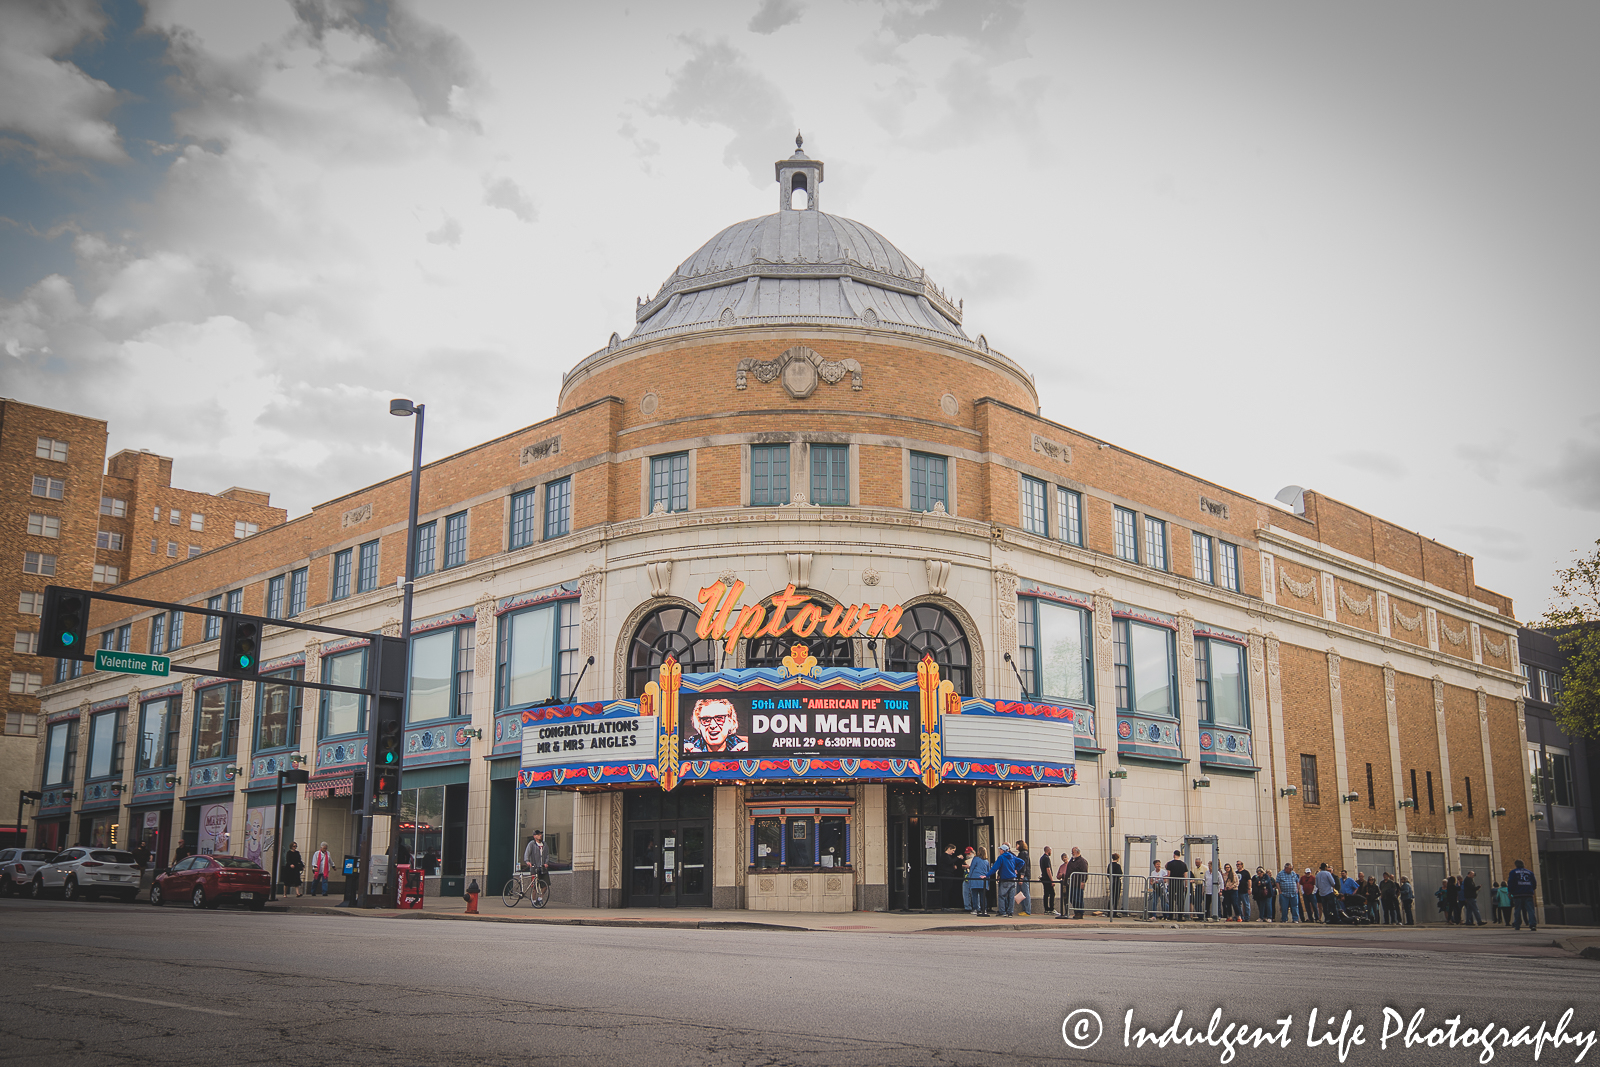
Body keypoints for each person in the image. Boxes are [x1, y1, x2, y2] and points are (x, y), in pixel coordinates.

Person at [683, 697, 748, 753]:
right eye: (706, 719)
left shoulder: (742, 746)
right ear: (699, 724)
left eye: (719, 719)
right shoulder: (687, 746)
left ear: (730, 722)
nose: (713, 725)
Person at [1507, 859, 1538, 932]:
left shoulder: (1513, 872)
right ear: (1523, 865)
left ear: (1516, 865)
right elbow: (1534, 883)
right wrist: (1531, 889)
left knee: (1517, 910)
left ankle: (1517, 925)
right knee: (1530, 910)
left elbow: (1511, 883)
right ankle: (1532, 925)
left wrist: (1510, 892)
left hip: (1517, 894)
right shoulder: (1530, 872)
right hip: (1528, 894)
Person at [991, 842, 1020, 918]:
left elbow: (995, 868)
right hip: (1013, 878)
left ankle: (1002, 912)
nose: (999, 851)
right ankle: (1010, 912)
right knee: (1011, 897)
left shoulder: (1001, 857)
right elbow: (1021, 862)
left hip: (1005, 879)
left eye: (1000, 849)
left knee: (1002, 896)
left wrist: (987, 875)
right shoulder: (1013, 856)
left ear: (1003, 850)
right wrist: (1016, 869)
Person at [1063, 846, 1089, 919]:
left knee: (1078, 898)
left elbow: (1084, 872)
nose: (1072, 853)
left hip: (1077, 883)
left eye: (1073, 852)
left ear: (1077, 852)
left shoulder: (1082, 861)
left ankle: (1080, 912)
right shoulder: (1072, 861)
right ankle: (1076, 911)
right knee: (1072, 898)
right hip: (1071, 883)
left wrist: (1083, 882)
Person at [523, 829, 550, 894]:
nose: (540, 836)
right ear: (535, 836)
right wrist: (527, 861)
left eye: (541, 834)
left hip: (543, 868)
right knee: (534, 886)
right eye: (538, 835)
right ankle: (534, 901)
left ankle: (540, 899)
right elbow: (527, 853)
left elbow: (547, 855)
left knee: (546, 885)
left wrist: (546, 863)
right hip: (535, 868)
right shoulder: (532, 844)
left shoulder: (545, 845)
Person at [966, 846, 992, 917]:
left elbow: (972, 869)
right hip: (983, 880)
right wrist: (988, 882)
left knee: (974, 895)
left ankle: (975, 909)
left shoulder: (976, 859)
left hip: (975, 879)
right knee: (983, 896)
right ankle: (984, 909)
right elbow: (988, 872)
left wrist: (969, 878)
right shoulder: (986, 861)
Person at [1165, 850, 1189, 921]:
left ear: (1174, 855)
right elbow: (1185, 876)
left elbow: (1169, 874)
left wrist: (1168, 884)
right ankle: (1180, 916)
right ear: (1180, 855)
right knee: (1180, 900)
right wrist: (1186, 885)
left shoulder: (1170, 864)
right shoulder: (1183, 864)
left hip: (1172, 882)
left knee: (1171, 899)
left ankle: (1171, 916)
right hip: (1180, 883)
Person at [1014, 840, 1032, 915]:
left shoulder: (1023, 854)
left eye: (1017, 845)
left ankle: (1027, 910)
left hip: (1023, 876)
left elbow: (1023, 866)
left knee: (1025, 892)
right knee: (1023, 892)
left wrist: (1021, 876)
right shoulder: (1024, 853)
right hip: (1023, 875)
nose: (1016, 846)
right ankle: (1025, 909)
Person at [959, 847, 978, 913]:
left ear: (973, 853)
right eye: (966, 854)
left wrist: (969, 867)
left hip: (973, 878)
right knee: (966, 893)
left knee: (974, 894)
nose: (967, 855)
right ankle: (967, 907)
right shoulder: (966, 860)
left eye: (969, 854)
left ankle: (977, 907)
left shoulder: (976, 859)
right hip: (966, 878)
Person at [1038, 846, 1055, 915]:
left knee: (1046, 894)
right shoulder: (1046, 858)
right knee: (1052, 893)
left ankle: (1046, 909)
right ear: (1048, 850)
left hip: (1044, 878)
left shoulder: (1042, 858)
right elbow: (1048, 869)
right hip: (1047, 878)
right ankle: (1051, 908)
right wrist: (1052, 880)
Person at [1107, 852, 1123, 917]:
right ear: (1118, 858)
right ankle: (1114, 912)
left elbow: (1108, 874)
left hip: (1112, 882)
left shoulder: (1109, 865)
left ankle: (1109, 911)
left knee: (1111, 897)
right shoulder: (1117, 866)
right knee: (1116, 897)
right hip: (1117, 882)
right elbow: (1120, 873)